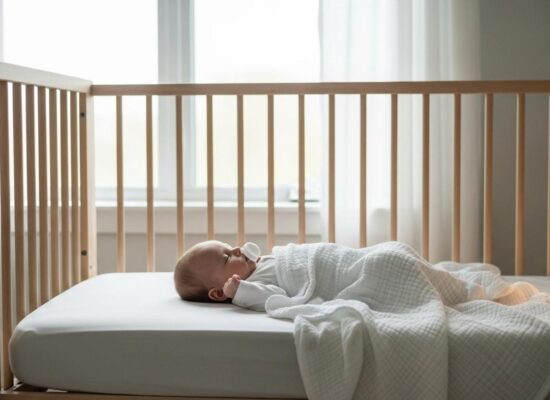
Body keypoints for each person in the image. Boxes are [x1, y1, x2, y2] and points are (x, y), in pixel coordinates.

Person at [173, 240, 286, 311]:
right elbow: (278, 298)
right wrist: (239, 290)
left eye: (230, 247)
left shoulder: (256, 265)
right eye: (227, 258)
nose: (237, 249)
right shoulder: (251, 288)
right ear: (219, 292)